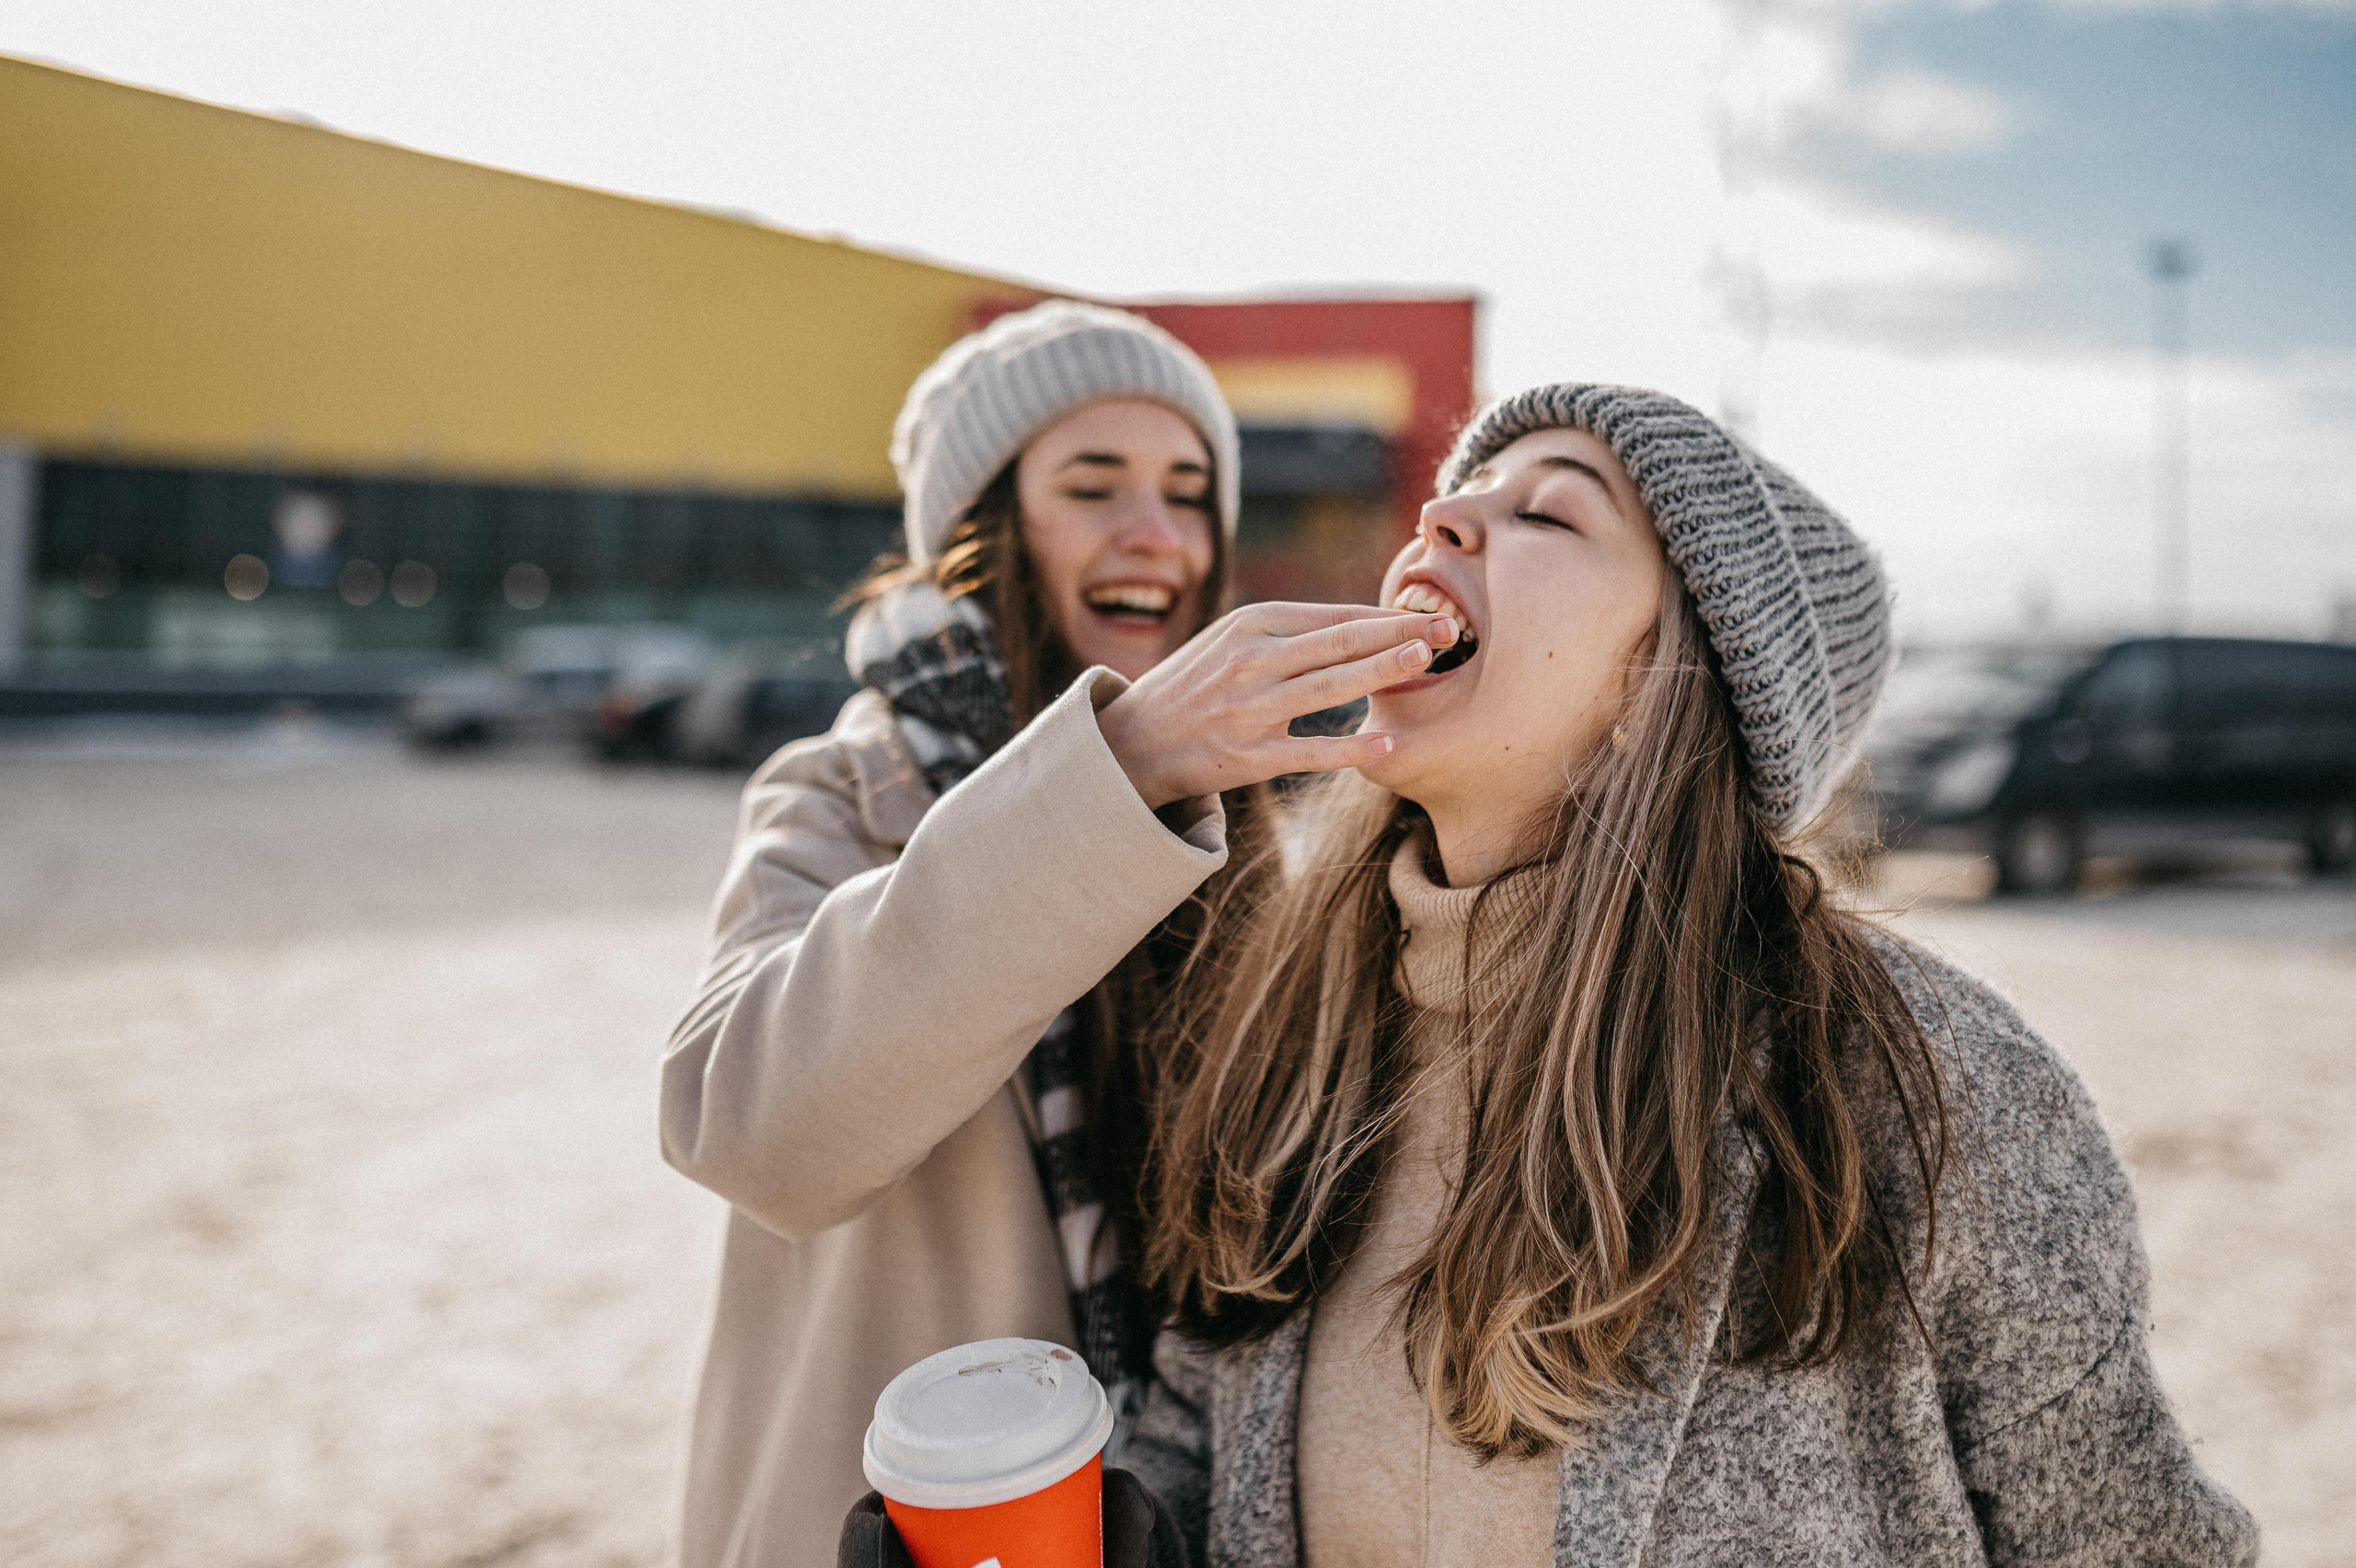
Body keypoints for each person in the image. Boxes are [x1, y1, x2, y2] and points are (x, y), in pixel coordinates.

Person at [1125, 384, 2260, 1565]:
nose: (1445, 516)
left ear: (1662, 690)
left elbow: (2130, 1539)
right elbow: (1198, 1421)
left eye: (1551, 517)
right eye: (1459, 495)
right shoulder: (1287, 1021)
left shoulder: (1929, 1088)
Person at [660, 299, 1452, 1568]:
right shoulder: (841, 794)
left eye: (1191, 493)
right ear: (982, 534)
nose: (1157, 533)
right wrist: (1116, 767)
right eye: (1094, 485)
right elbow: (751, 1133)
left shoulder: (1245, 829)